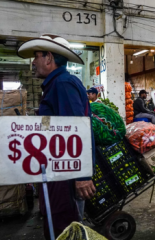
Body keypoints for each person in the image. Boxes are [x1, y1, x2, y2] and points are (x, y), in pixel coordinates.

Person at [17, 34, 96, 239]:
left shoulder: (62, 84)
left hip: (67, 176)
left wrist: (82, 177)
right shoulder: (56, 84)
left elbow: (76, 130)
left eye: (36, 56)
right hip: (58, 171)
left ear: (49, 58)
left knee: (65, 228)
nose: (33, 62)